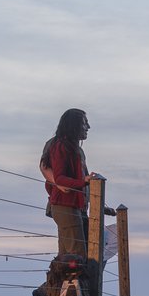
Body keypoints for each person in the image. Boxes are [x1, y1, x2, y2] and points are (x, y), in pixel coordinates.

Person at [39, 108, 93, 258]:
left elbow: (80, 178)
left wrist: (98, 205)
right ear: (73, 124)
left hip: (76, 206)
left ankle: (58, 282)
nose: (88, 127)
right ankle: (72, 282)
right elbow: (58, 177)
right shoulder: (60, 145)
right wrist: (82, 182)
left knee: (66, 257)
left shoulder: (76, 150)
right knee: (77, 256)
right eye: (84, 123)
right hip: (65, 204)